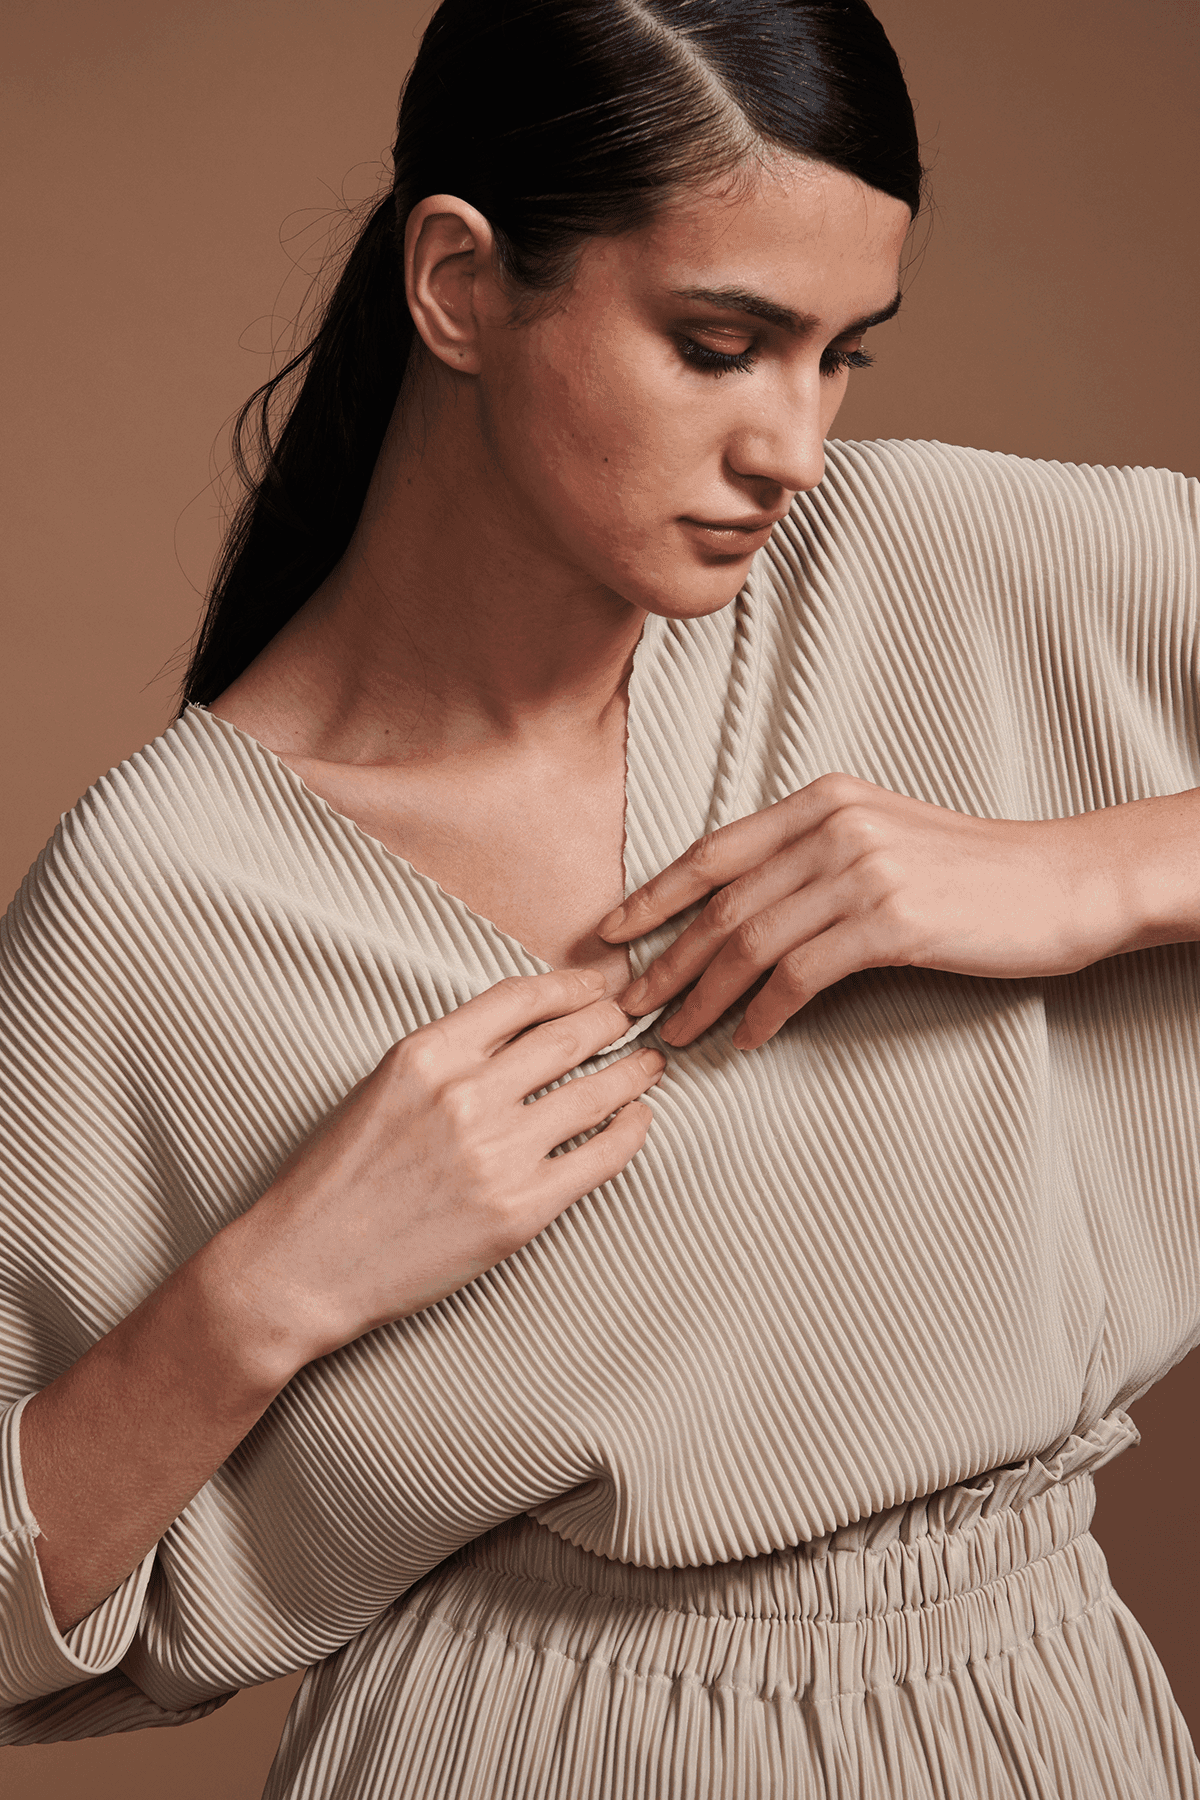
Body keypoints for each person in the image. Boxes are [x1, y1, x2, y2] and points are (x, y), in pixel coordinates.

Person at [2, 0, 1198, 1793]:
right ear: (459, 284)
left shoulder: (941, 571)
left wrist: (1088, 872)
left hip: (1030, 1719)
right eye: (722, 345)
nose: (792, 445)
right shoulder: (164, 897)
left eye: (840, 357)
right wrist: (269, 1285)